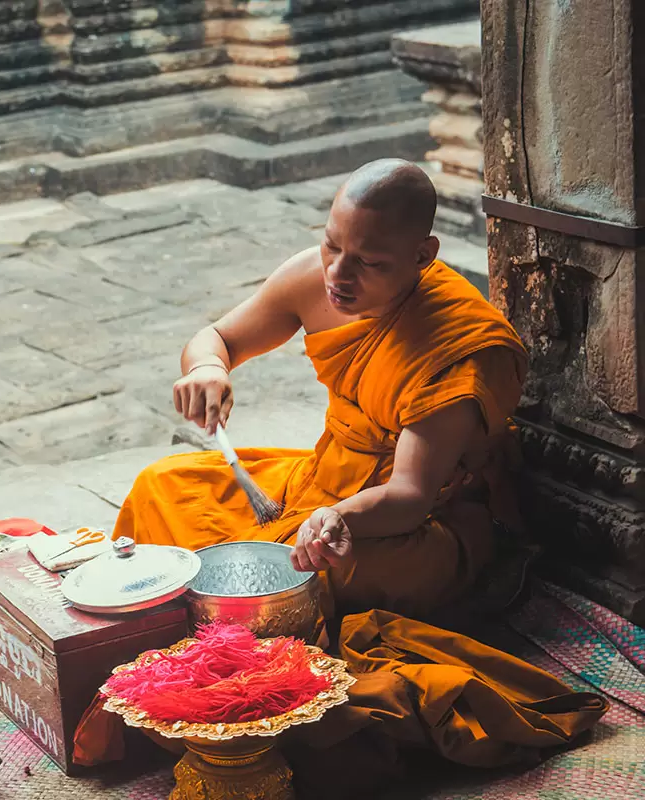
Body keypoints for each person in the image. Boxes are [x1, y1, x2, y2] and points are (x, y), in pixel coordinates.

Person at [73, 160, 606, 795]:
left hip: (419, 520)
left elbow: (408, 496)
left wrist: (340, 517)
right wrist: (210, 368)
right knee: (165, 485)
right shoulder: (318, 277)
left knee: (286, 575)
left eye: (370, 262)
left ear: (423, 255)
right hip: (322, 475)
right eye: (332, 244)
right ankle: (200, 657)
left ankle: (230, 701)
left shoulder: (460, 350)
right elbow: (217, 336)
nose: (338, 274)